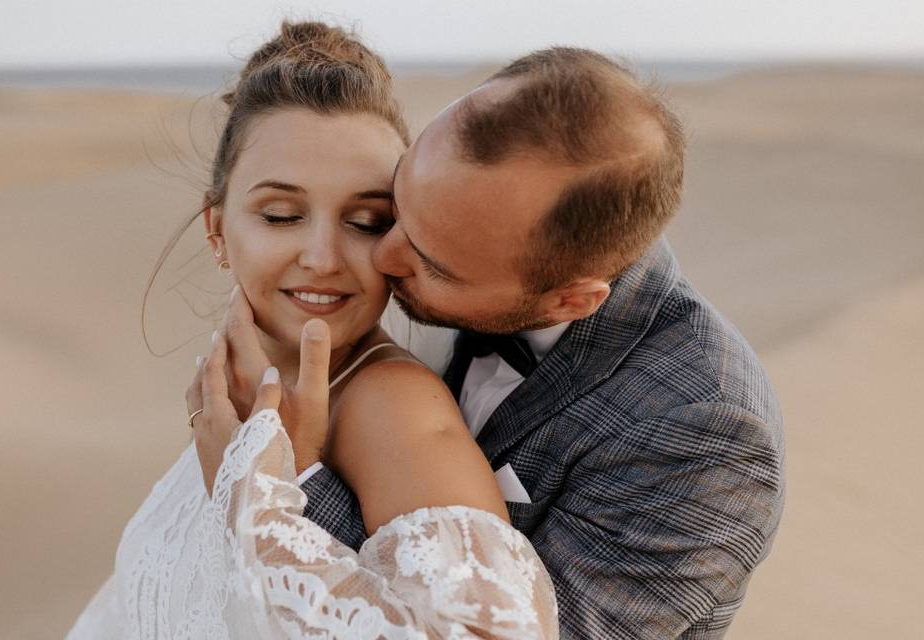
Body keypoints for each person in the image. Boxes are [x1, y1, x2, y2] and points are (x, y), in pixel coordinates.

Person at [217, 48, 786, 638]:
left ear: (570, 299)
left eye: (432, 265)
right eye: (393, 211)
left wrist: (287, 485)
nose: (383, 259)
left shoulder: (705, 434)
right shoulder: (479, 227)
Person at [66, 21, 558, 639]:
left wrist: (261, 495)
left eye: (366, 220)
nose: (323, 256)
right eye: (282, 215)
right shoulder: (238, 387)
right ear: (217, 229)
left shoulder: (390, 406)